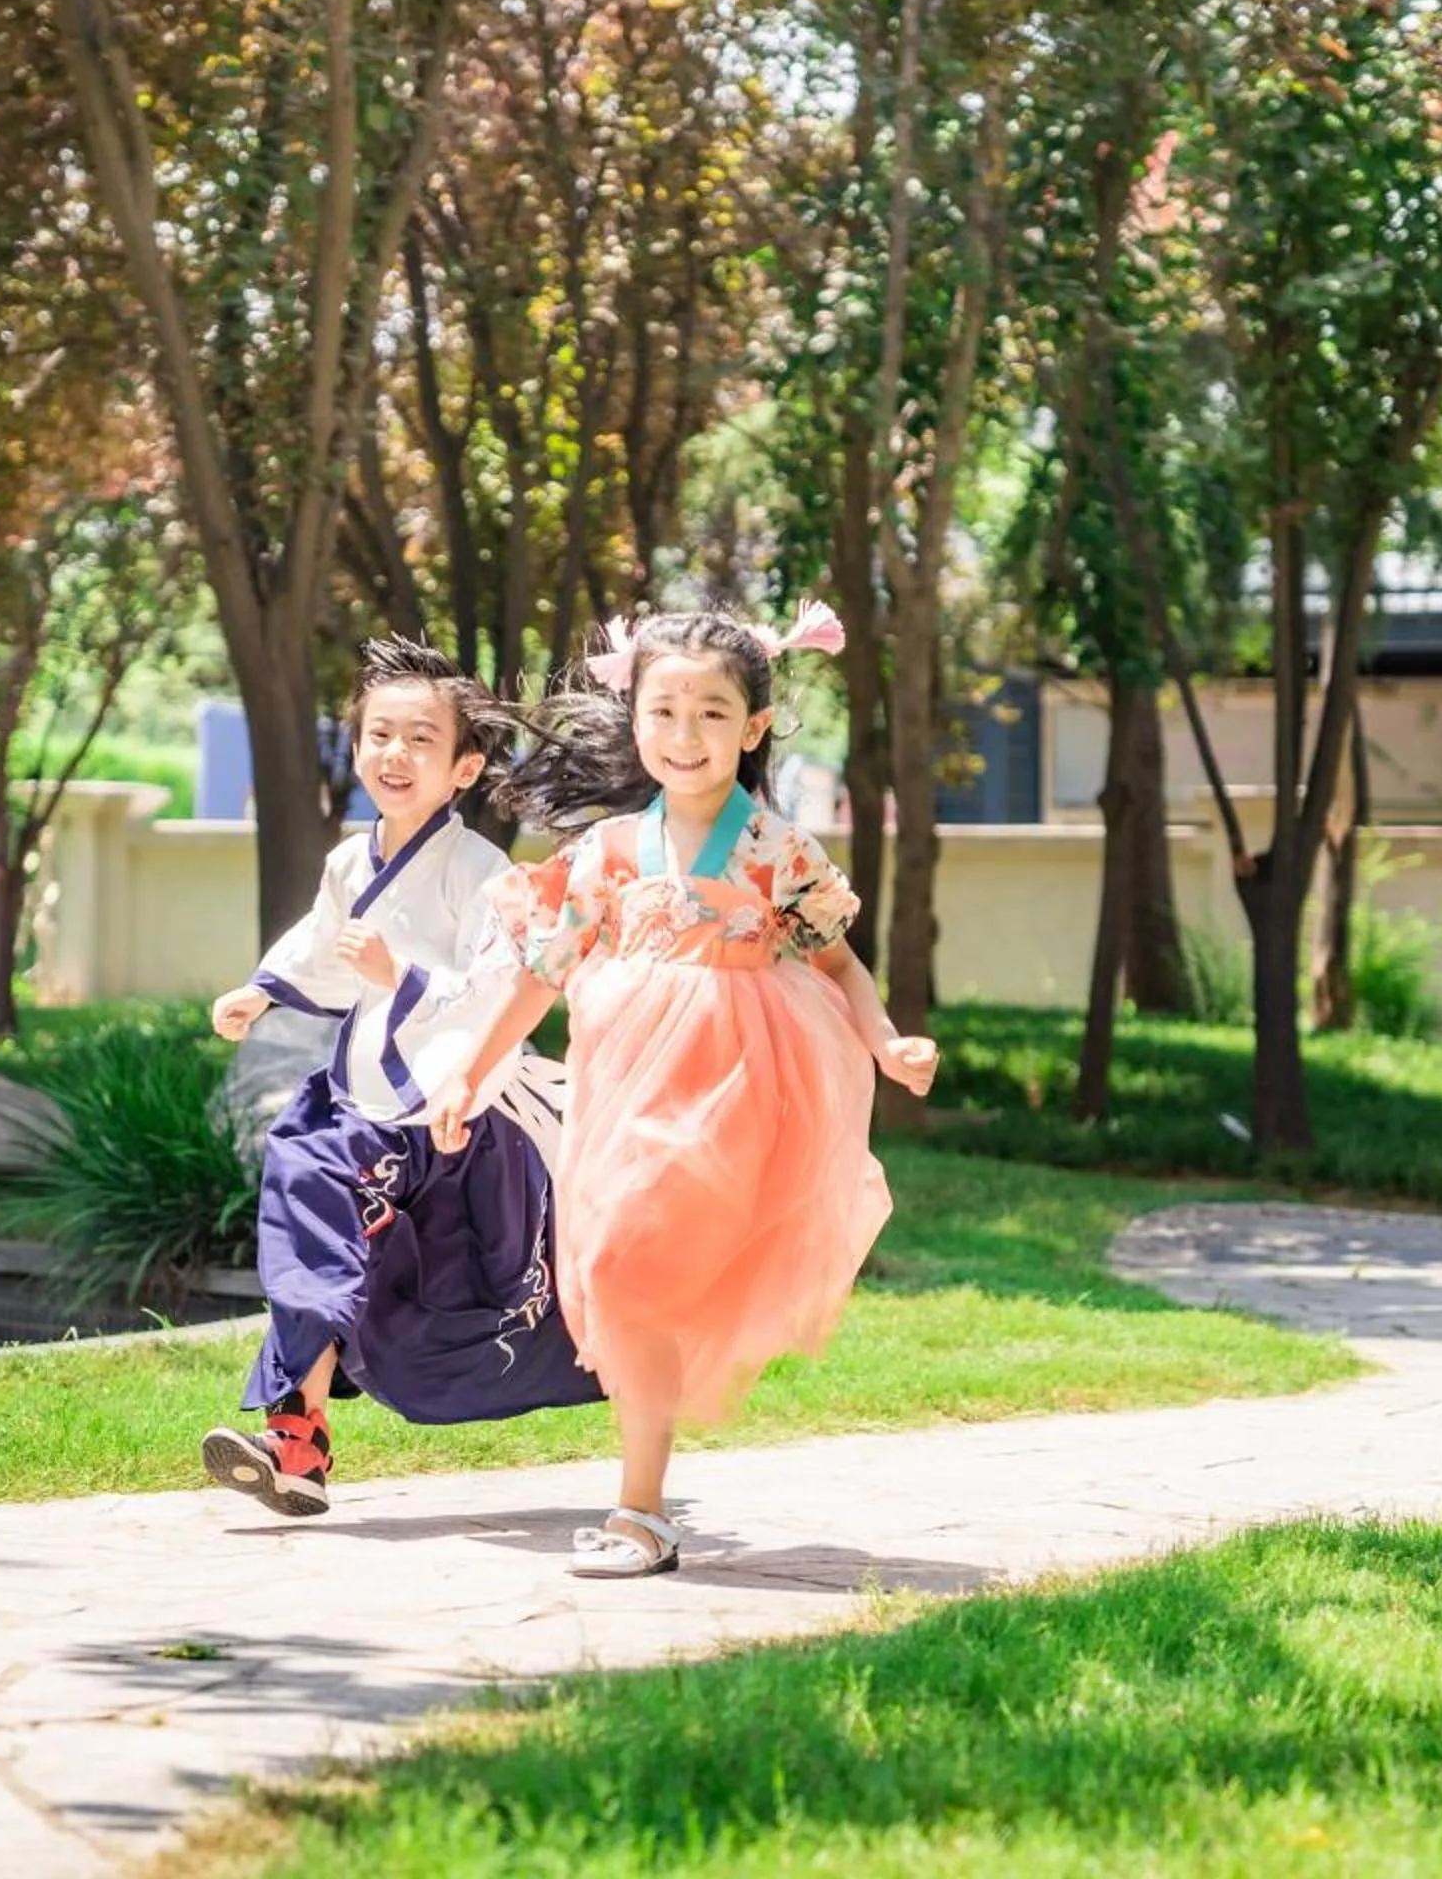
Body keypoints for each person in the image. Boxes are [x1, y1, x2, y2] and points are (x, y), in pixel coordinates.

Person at [427, 603, 935, 1577]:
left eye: (711, 712)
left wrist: (885, 1040)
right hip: (627, 1081)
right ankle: (645, 1503)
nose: (684, 734)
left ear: (752, 728)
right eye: (663, 711)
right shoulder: (611, 851)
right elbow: (541, 969)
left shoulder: (777, 850)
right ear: (636, 722)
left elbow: (837, 966)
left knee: (643, 1259)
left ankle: (638, 1509)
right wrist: (475, 1065)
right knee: (619, 1266)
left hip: (742, 1080)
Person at [201, 639, 599, 1518]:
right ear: (355, 750)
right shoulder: (350, 862)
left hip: (458, 1119)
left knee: (434, 1309)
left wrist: (401, 977)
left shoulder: (484, 874)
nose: (395, 754)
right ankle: (294, 1436)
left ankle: (621, 1362)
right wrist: (264, 990)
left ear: (464, 766)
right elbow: (322, 947)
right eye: (379, 734)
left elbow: (504, 985)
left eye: (421, 739)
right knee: (310, 1215)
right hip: (361, 1109)